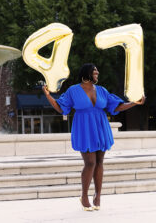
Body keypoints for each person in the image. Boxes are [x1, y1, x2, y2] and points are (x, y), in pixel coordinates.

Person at [42, 63, 145, 211]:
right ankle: (84, 195)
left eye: (97, 70)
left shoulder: (102, 90)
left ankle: (98, 195)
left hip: (101, 126)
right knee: (90, 162)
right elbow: (61, 107)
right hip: (84, 128)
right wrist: (47, 95)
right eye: (94, 70)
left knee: (100, 161)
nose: (97, 72)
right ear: (86, 72)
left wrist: (135, 103)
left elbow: (116, 107)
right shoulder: (73, 90)